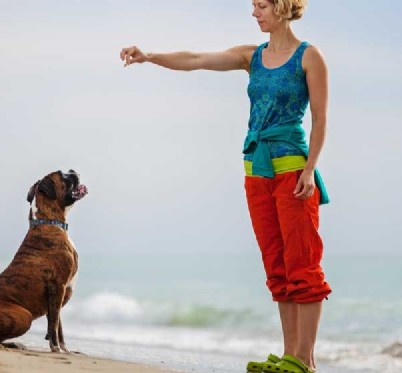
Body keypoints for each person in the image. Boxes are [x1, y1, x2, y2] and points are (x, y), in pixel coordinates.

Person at [120, 1, 331, 372]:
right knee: (277, 265)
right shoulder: (252, 56)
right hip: (255, 171)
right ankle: (289, 357)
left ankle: (305, 362)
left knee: (303, 263)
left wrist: (310, 169)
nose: (255, 13)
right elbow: (196, 58)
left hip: (292, 171)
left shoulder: (310, 57)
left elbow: (320, 118)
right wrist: (149, 56)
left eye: (261, 5)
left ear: (282, 7)